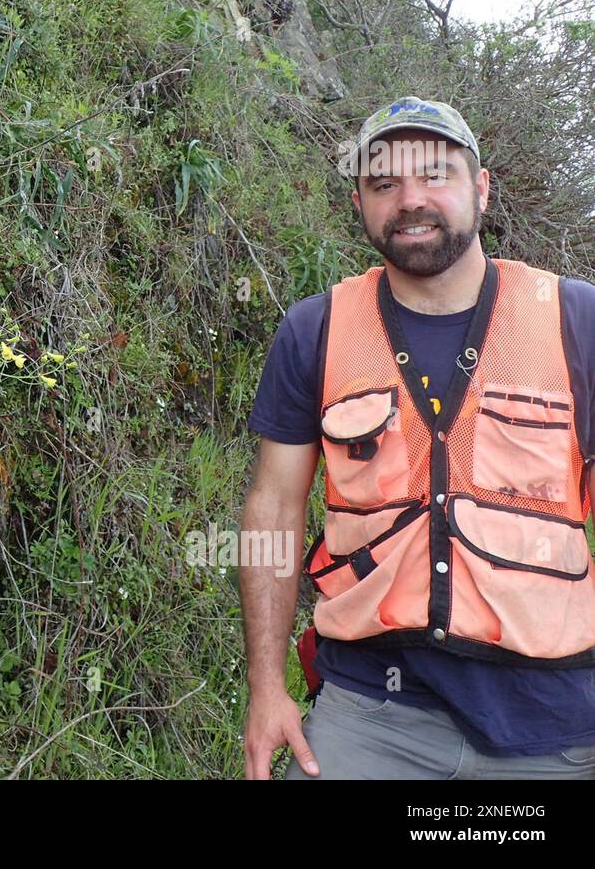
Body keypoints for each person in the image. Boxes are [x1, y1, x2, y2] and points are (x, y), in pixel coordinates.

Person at [239, 96, 595, 780]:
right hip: (370, 712)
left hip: (552, 724)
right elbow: (272, 511)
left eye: (435, 175)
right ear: (360, 202)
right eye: (384, 183)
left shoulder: (573, 321)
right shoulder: (316, 330)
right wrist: (265, 688)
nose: (411, 200)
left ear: (481, 189)